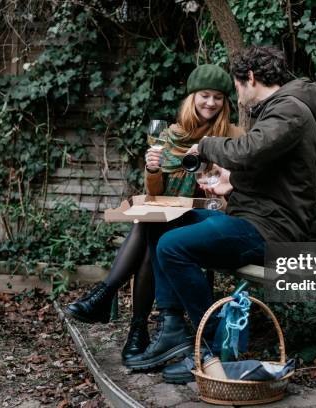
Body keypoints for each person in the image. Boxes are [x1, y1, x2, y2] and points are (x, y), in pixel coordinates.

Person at [123, 45, 316, 384]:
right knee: (164, 224)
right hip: (254, 219)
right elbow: (269, 170)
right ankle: (173, 329)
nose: (238, 97)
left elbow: (248, 150)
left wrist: (205, 147)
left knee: (173, 246)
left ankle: (211, 347)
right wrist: (231, 184)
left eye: (235, 88)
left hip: (270, 231)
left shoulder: (289, 110)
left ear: (249, 78)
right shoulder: (284, 109)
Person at [64, 64, 245, 363]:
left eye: (217, 97)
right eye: (204, 95)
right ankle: (136, 326)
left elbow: (235, 189)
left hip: (206, 220)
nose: (210, 103)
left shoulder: (233, 136)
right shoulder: (172, 134)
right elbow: (155, 191)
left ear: (225, 102)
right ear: (191, 98)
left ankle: (117, 306)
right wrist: (152, 168)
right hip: (168, 215)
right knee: (151, 226)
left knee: (150, 228)